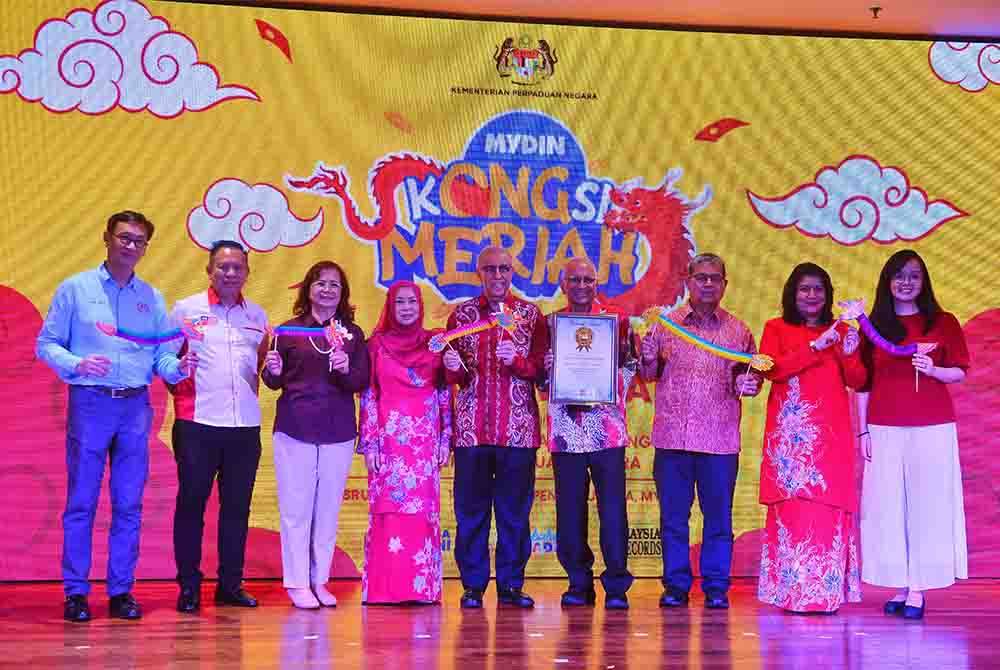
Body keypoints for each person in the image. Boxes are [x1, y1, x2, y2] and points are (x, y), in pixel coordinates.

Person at [36, 210, 196, 622]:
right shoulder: (76, 289)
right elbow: (47, 343)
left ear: (146, 248)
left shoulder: (151, 297)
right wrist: (76, 363)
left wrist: (179, 368)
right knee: (82, 501)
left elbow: (162, 353)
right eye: (124, 238)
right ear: (106, 238)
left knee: (129, 503)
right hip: (90, 403)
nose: (131, 246)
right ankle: (75, 592)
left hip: (135, 406)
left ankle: (121, 590)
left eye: (139, 241)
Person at [639, 253, 760, 610]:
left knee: (718, 519)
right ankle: (676, 586)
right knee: (674, 518)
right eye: (700, 277)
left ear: (725, 284)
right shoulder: (666, 325)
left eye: (715, 278)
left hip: (720, 440)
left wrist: (750, 384)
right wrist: (646, 356)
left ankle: (717, 586)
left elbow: (747, 377)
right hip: (672, 438)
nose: (707, 284)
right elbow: (648, 376)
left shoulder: (739, 330)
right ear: (688, 282)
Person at [857, 250, 969, 620]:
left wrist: (935, 370)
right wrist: (861, 431)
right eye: (899, 275)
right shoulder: (872, 326)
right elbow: (862, 384)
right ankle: (903, 584)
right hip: (884, 425)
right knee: (888, 509)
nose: (906, 282)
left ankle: (918, 589)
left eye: (914, 276)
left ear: (924, 282)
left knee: (927, 506)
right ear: (887, 280)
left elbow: (960, 372)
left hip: (933, 426)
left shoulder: (943, 322)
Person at [756, 262, 866, 613]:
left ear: (828, 294)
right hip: (791, 442)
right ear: (793, 292)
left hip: (830, 439)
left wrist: (848, 352)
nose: (812, 295)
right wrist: (816, 346)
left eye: (819, 289)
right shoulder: (775, 328)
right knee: (793, 512)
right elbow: (772, 370)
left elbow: (858, 380)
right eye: (805, 288)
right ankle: (789, 595)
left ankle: (826, 596)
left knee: (827, 511)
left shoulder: (841, 330)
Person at [442, 246, 548, 609]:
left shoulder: (531, 316)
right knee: (470, 512)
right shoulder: (462, 315)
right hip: (472, 430)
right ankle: (472, 586)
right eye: (490, 269)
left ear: (513, 272)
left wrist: (517, 361)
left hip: (518, 432)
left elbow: (543, 370)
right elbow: (454, 374)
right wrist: (454, 366)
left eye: (503, 268)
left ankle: (511, 585)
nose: (498, 275)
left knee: (514, 513)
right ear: (479, 273)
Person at [168, 240, 269, 613]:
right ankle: (189, 586)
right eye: (223, 267)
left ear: (247, 272)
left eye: (237, 267)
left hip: (244, 426)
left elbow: (261, 367)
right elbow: (166, 359)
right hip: (197, 422)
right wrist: (177, 375)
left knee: (237, 508)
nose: (230, 273)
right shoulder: (185, 310)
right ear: (209, 270)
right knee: (192, 504)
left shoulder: (257, 317)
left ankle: (230, 584)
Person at [262, 261, 369, 609]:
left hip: (337, 429)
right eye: (320, 283)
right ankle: (296, 583)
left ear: (343, 294)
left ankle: (319, 579)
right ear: (308, 289)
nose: (327, 290)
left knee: (327, 510)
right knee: (296, 509)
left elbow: (359, 383)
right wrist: (272, 370)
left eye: (334, 285)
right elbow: (274, 380)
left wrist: (344, 369)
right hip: (295, 428)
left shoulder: (351, 335)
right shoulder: (288, 331)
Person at [541, 257, 634, 610]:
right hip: (565, 432)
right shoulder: (551, 325)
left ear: (597, 284)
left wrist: (606, 381)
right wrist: (548, 370)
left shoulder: (618, 323)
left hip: (607, 432)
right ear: (563, 285)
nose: (581, 285)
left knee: (612, 510)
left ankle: (616, 586)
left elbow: (631, 368)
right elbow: (538, 375)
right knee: (570, 510)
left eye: (588, 280)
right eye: (575, 280)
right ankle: (578, 582)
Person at [358, 280, 451, 604]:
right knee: (387, 511)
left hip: (424, 442)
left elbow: (443, 393)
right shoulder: (376, 345)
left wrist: (445, 440)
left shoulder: (435, 342)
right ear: (390, 307)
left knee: (421, 513)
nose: (407, 308)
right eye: (400, 303)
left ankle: (421, 590)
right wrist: (369, 444)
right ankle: (385, 590)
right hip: (388, 441)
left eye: (412, 302)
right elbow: (369, 395)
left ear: (420, 305)